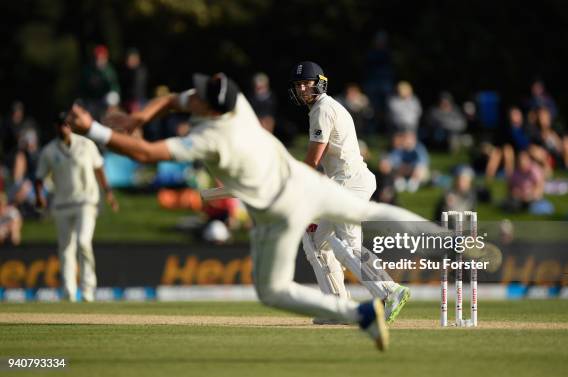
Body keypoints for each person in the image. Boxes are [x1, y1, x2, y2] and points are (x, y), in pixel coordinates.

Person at [66, 72, 480, 351]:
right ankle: (442, 244)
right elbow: (182, 98)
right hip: (318, 184)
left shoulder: (210, 140)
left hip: (295, 197)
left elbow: (144, 151)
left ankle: (364, 305)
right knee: (351, 227)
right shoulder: (241, 106)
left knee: (283, 280)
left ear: (209, 111)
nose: (191, 103)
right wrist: (141, 115)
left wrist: (96, 130)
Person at [288, 61, 410, 325]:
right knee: (316, 241)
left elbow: (313, 159)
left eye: (306, 83)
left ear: (319, 83)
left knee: (347, 245)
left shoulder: (323, 109)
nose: (301, 89)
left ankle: (390, 292)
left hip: (350, 183)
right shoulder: (321, 109)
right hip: (340, 184)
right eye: (298, 85)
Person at [35, 112, 119, 302]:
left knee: (83, 242)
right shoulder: (49, 151)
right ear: (56, 127)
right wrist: (39, 197)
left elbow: (99, 168)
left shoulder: (86, 144)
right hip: (62, 204)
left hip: (86, 202)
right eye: (60, 124)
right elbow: (39, 177)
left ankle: (88, 290)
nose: (63, 127)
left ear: (70, 126)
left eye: (66, 124)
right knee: (66, 249)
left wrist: (109, 194)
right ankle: (69, 292)